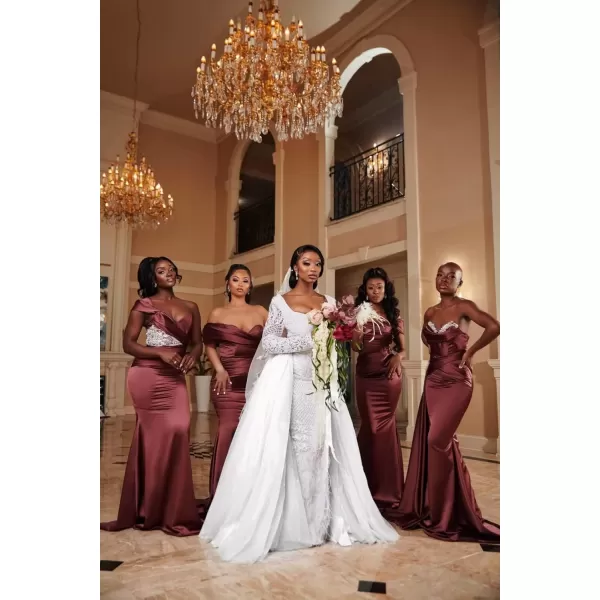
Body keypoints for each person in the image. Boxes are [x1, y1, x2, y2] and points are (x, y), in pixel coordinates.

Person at [200, 245, 398, 563]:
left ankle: (322, 520)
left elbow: (342, 341)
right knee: (295, 444)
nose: (313, 268)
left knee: (322, 445)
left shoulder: (329, 302)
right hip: (291, 379)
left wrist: (337, 336)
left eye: (318, 263)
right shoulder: (280, 302)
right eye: (306, 263)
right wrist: (309, 340)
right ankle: (295, 522)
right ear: (295, 267)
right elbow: (270, 342)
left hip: (323, 381)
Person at [396, 262, 500, 543]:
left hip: (457, 380)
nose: (444, 280)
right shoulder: (430, 312)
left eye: (451, 276)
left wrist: (470, 351)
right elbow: (428, 340)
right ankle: (440, 505)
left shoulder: (465, 307)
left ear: (459, 283)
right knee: (440, 442)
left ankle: (446, 514)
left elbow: (494, 326)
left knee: (437, 440)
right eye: (440, 275)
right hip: (433, 379)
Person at [101, 256, 203, 536]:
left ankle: (172, 507)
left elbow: (197, 343)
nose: (168, 273)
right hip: (147, 375)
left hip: (174, 378)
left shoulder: (191, 307)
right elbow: (128, 344)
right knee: (151, 440)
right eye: (161, 270)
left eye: (171, 269)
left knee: (179, 430)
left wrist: (193, 357)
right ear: (152, 277)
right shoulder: (143, 306)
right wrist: (160, 352)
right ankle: (147, 508)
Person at [203, 264, 267, 496]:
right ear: (228, 284)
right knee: (227, 430)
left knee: (253, 436)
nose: (240, 284)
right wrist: (219, 369)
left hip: (256, 384)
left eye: (245, 280)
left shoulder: (261, 311)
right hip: (227, 383)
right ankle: (222, 494)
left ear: (250, 286)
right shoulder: (217, 313)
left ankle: (249, 494)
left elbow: (274, 342)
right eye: (236, 279)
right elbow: (209, 345)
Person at [353, 267, 405, 511]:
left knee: (384, 428)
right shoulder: (357, 312)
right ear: (365, 290)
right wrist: (356, 333)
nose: (375, 291)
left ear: (386, 289)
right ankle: (363, 487)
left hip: (388, 375)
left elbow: (402, 348)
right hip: (365, 375)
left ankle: (388, 490)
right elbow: (355, 348)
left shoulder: (393, 313)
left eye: (379, 287)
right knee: (370, 427)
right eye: (371, 287)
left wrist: (398, 357)